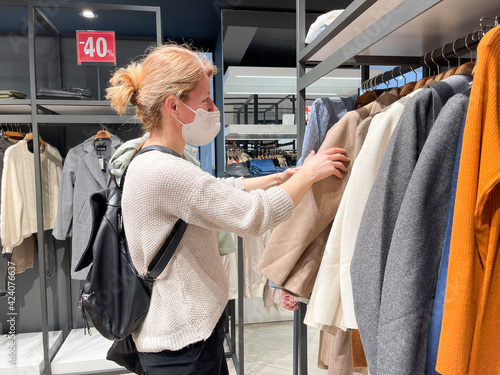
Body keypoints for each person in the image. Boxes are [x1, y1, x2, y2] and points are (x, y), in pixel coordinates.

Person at [106, 44, 349, 375]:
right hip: (182, 347)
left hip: (189, 336)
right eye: (204, 100)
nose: (213, 107)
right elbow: (253, 215)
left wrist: (280, 177)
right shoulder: (164, 171)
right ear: (173, 105)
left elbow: (215, 191)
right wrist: (307, 174)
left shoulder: (158, 159)